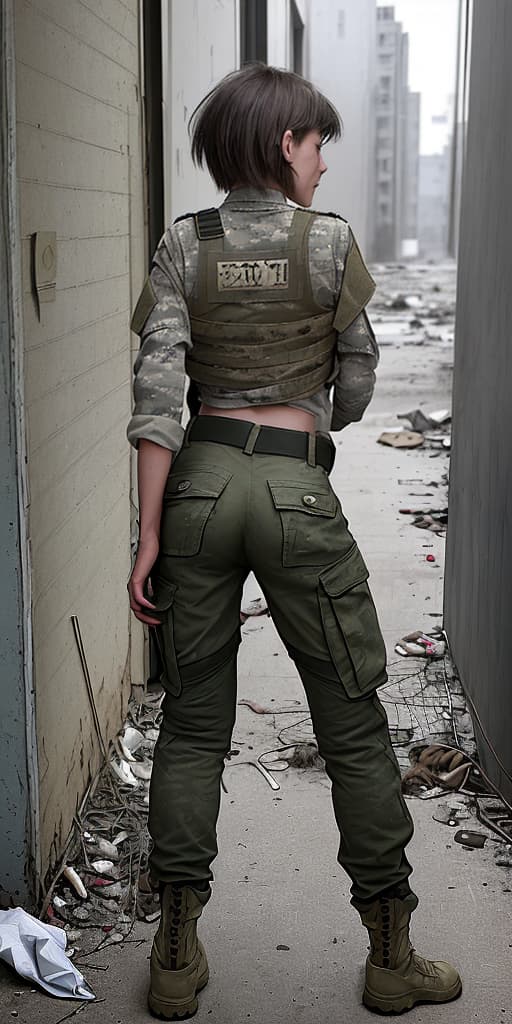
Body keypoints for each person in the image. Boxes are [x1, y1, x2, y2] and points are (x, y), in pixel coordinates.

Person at [127, 64, 461, 1020]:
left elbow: (156, 400)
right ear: (285, 145)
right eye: (317, 145)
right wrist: (310, 428)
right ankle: (391, 954)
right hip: (294, 485)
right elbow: (357, 381)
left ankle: (177, 954)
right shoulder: (330, 246)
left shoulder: (183, 246)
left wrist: (148, 536)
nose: (322, 164)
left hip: (195, 485)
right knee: (352, 725)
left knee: (193, 728)